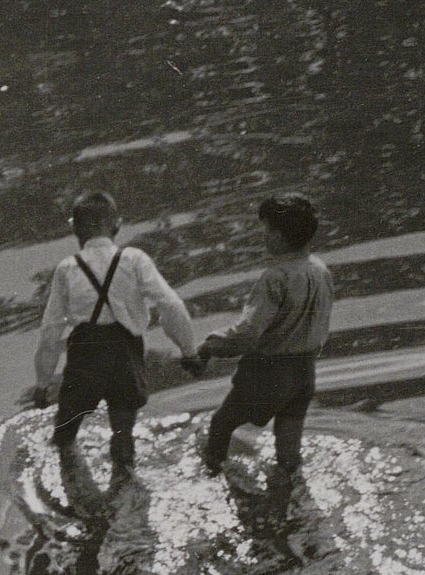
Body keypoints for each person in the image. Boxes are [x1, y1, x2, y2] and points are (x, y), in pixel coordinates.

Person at [30, 191, 201, 485]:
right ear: (117, 226)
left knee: (65, 435)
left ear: (75, 228)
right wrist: (188, 350)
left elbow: (50, 332)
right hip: (125, 355)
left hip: (85, 357)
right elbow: (170, 305)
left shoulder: (68, 268)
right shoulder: (134, 259)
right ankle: (125, 483)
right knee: (123, 435)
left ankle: (70, 484)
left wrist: (43, 383)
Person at [190, 193, 333, 490]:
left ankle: (210, 484)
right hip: (305, 373)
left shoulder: (274, 278)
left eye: (266, 230)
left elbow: (248, 334)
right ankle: (290, 492)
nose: (264, 236)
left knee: (220, 425)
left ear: (278, 237)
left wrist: (208, 347)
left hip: (268, 372)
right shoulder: (321, 271)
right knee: (289, 450)